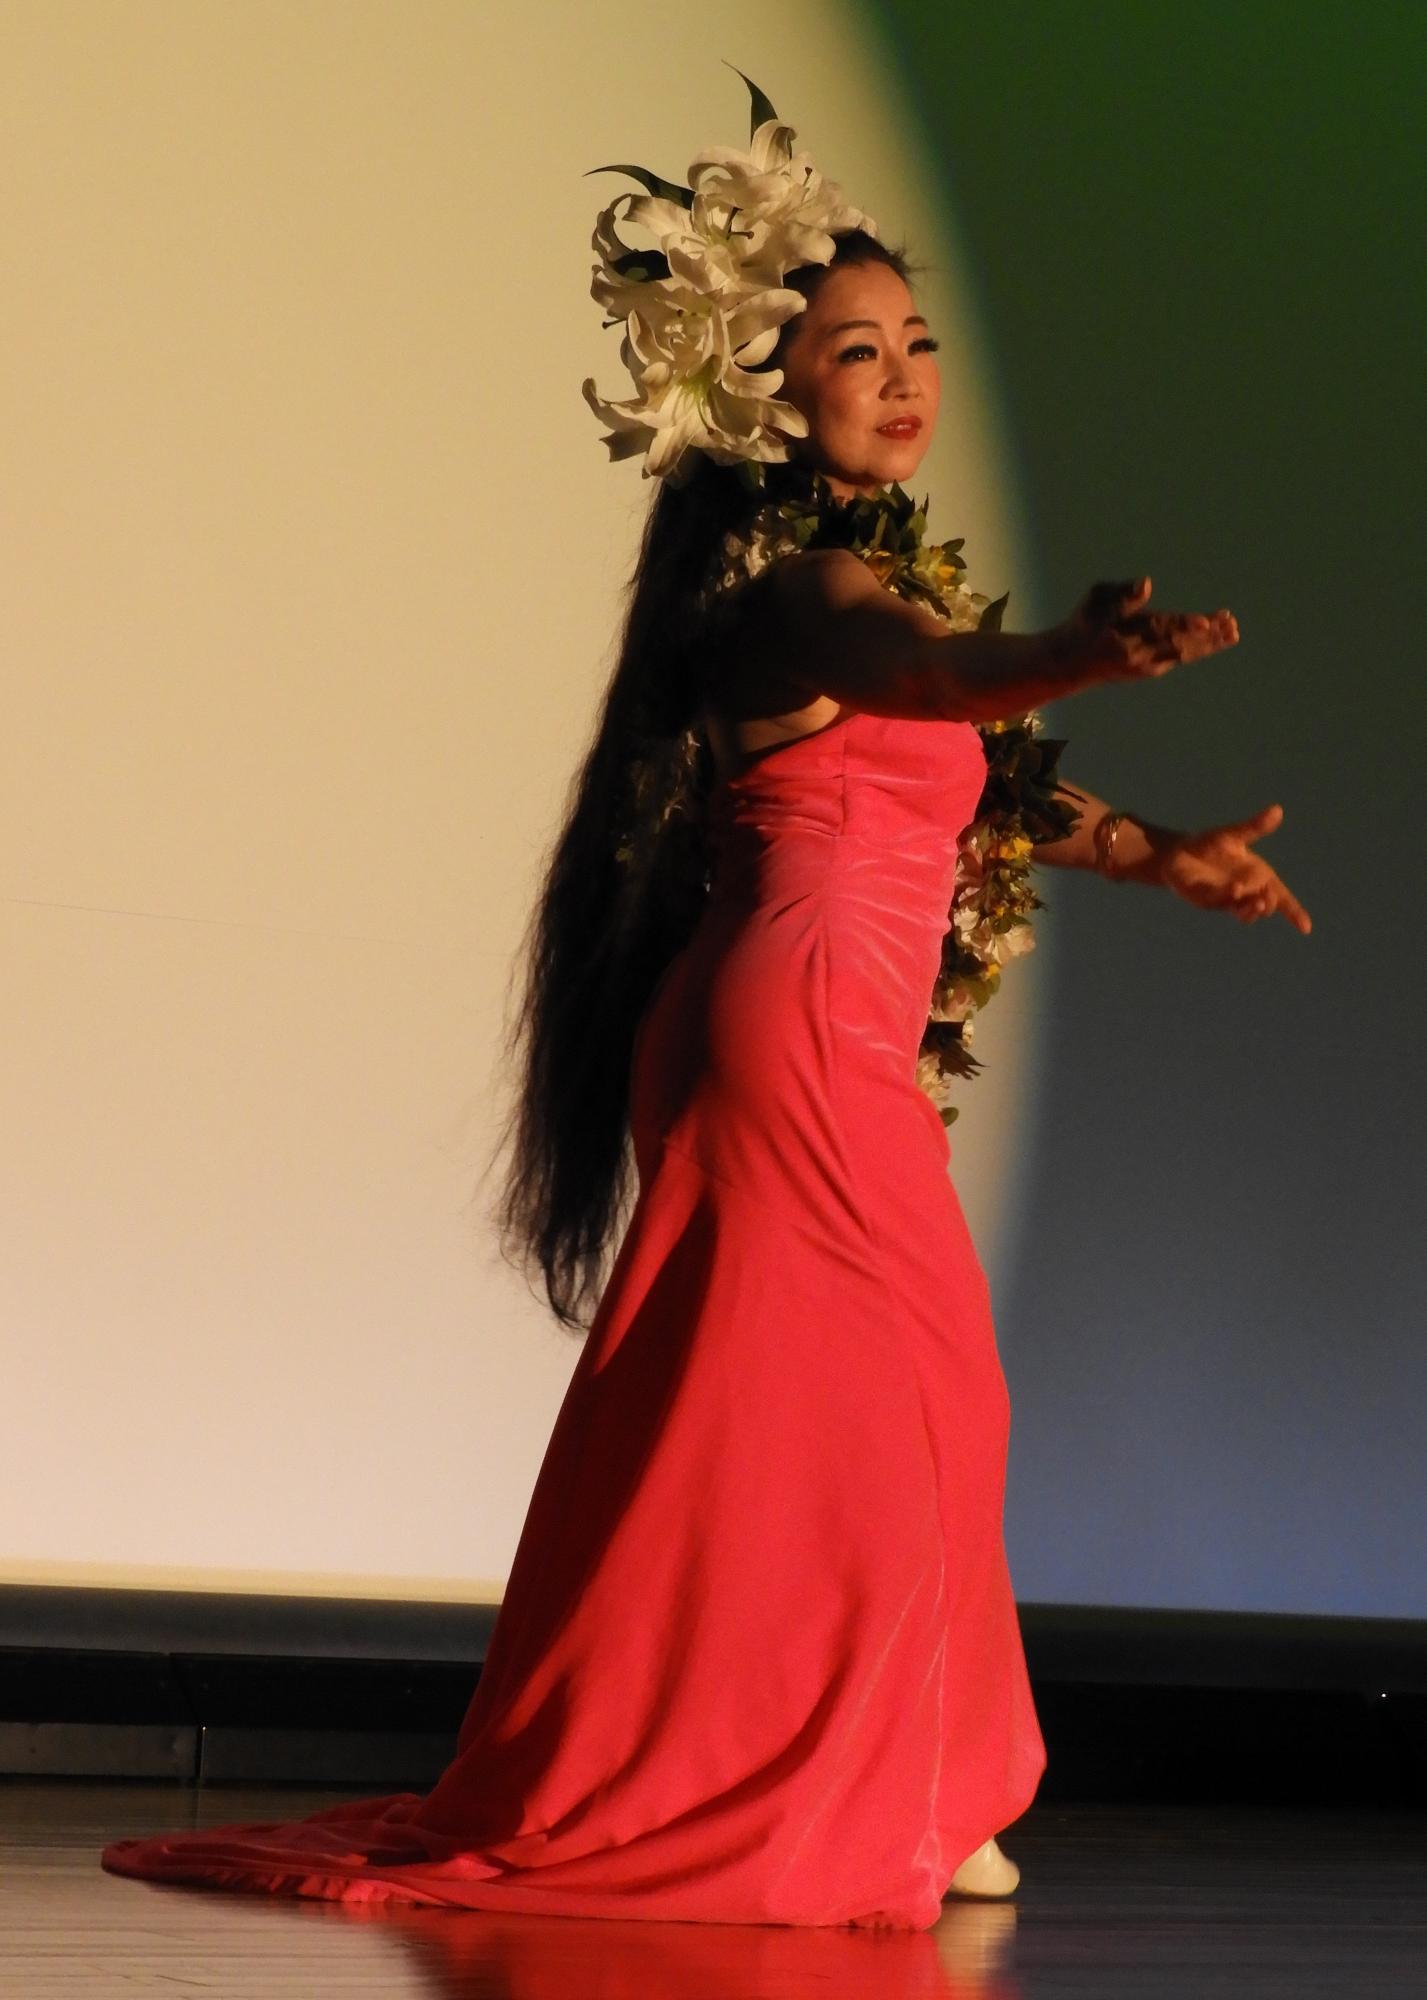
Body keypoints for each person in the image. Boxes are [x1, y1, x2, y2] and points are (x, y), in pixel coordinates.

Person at [100, 74, 1309, 1932]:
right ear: (768, 394)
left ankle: (905, 1773)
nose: (902, 378)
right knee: (913, 1401)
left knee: (803, 1423)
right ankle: (900, 1784)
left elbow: (965, 772)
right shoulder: (807, 590)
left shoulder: (850, 575)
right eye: (853, 352)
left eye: (913, 342)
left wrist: (1153, 850)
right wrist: (1070, 651)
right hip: (798, 1030)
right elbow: (935, 680)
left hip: (797, 1023)